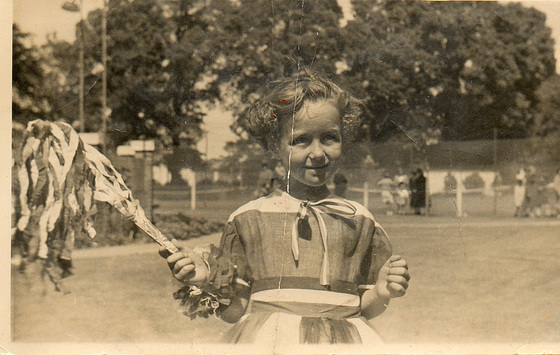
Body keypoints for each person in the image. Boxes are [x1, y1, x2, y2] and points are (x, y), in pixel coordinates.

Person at [159, 72, 410, 345]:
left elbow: (363, 306)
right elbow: (235, 311)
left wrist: (382, 292)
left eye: (329, 137)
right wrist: (205, 280)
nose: (317, 153)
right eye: (300, 140)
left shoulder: (360, 219)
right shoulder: (249, 218)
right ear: (273, 145)